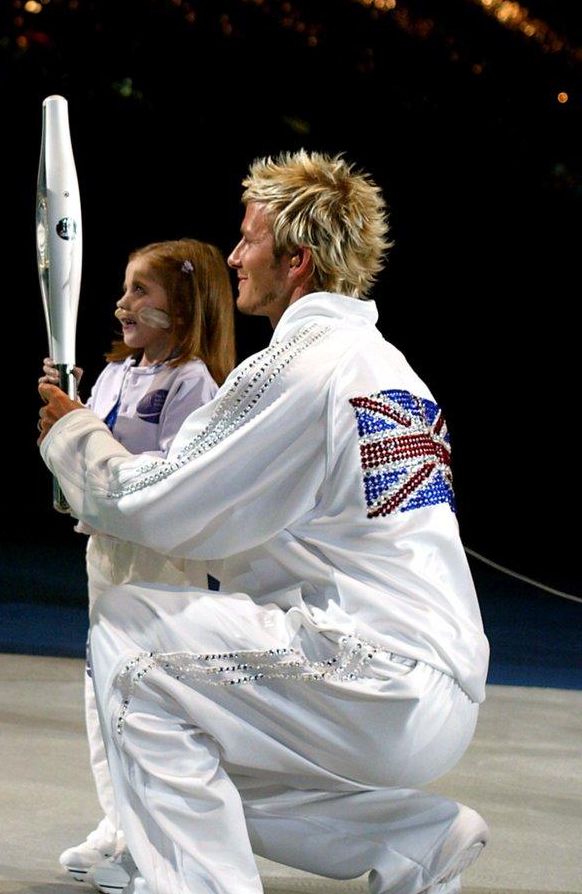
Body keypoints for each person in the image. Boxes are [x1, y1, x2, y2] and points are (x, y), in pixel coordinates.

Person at [38, 152, 489, 894]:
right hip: (434, 693)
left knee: (128, 633)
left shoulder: (302, 365)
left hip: (366, 674)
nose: (236, 256)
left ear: (297, 261)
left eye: (249, 240)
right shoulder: (390, 365)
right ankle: (416, 839)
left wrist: (72, 434)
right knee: (179, 756)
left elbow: (156, 501)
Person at [39, 238, 235, 883]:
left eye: (139, 292)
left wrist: (82, 439)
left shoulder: (193, 385)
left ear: (180, 310)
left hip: (162, 569)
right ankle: (117, 820)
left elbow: (172, 483)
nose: (122, 303)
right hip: (107, 559)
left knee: (146, 696)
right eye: (124, 289)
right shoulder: (115, 375)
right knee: (102, 689)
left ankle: (152, 837)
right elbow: (85, 465)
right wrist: (61, 424)